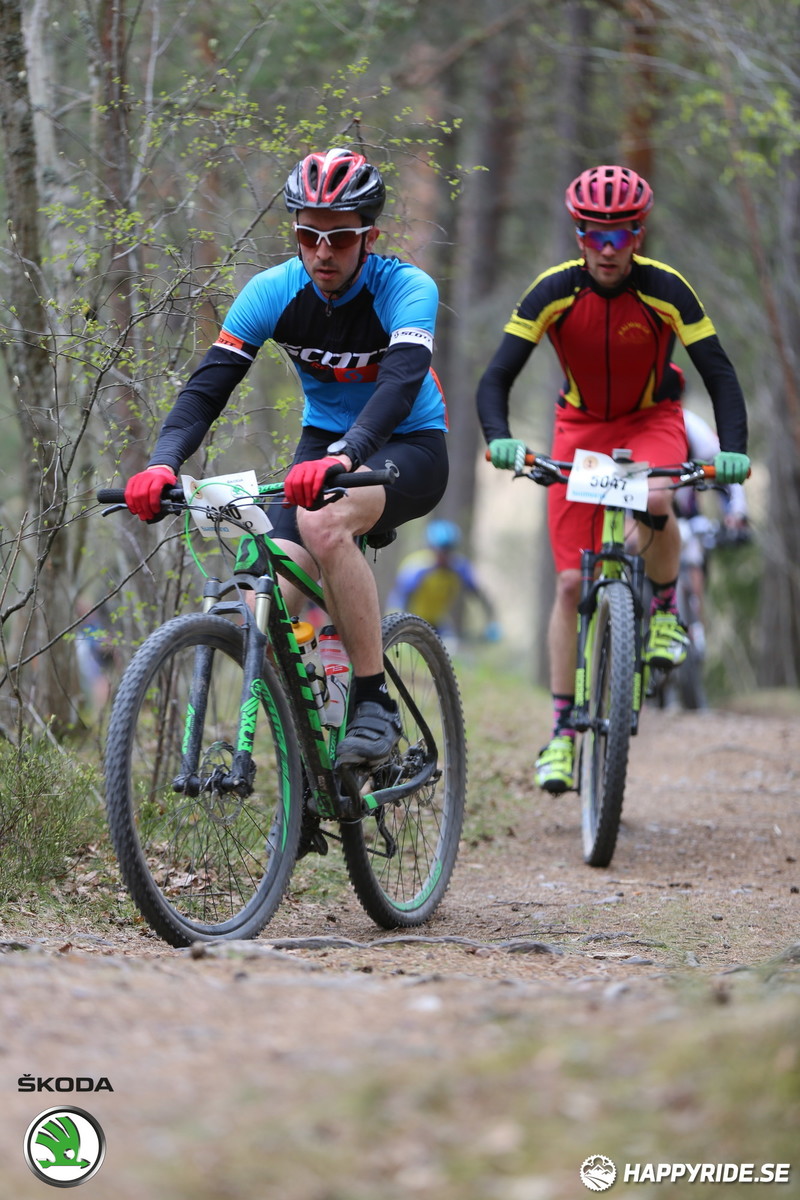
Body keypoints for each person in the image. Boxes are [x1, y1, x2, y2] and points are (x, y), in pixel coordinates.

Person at [123, 148, 449, 767]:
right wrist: (162, 462)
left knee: (326, 524)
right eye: (308, 234)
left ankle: (374, 700)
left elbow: (401, 381)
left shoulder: (407, 288)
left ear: (369, 237)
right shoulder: (271, 292)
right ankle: (305, 775)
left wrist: (349, 454)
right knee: (263, 590)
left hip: (406, 445)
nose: (323, 251)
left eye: (341, 238)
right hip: (324, 447)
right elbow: (206, 389)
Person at [476, 164, 749, 794]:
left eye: (620, 235)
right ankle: (563, 734)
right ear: (577, 234)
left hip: (651, 419)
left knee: (656, 495)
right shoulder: (550, 292)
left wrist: (732, 450)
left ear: (639, 236)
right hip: (580, 429)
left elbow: (722, 375)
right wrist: (501, 441)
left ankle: (659, 612)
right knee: (571, 584)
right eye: (593, 233)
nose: (606, 248)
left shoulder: (667, 290)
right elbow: (495, 379)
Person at [386, 519, 501, 642]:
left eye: (449, 550)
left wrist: (491, 621)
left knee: (452, 649)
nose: (445, 555)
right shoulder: (417, 568)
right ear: (431, 548)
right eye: (440, 550)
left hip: (438, 624)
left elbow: (479, 595)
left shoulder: (460, 569)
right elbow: (398, 598)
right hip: (410, 620)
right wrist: (394, 625)